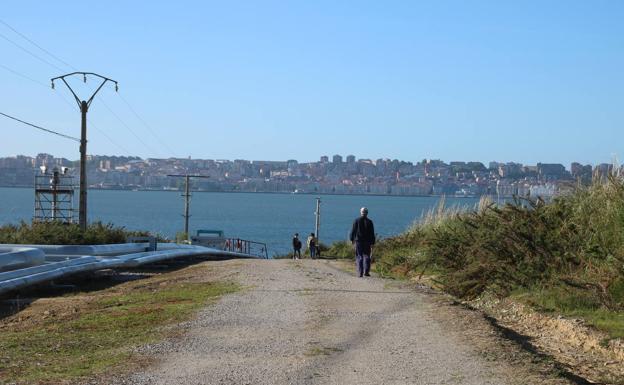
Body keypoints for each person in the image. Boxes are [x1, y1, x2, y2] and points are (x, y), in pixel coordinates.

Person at [349, 207, 375, 277]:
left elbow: (353, 231)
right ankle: (366, 272)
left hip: (359, 241)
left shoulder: (356, 220)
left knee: (359, 256)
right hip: (367, 241)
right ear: (367, 213)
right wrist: (373, 243)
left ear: (361, 212)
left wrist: (351, 239)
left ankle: (360, 272)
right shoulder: (370, 222)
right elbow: (372, 233)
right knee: (366, 256)